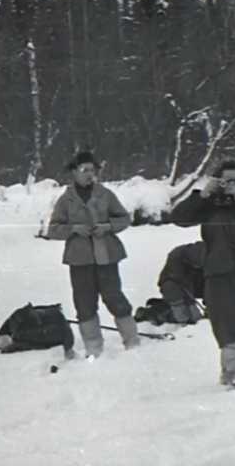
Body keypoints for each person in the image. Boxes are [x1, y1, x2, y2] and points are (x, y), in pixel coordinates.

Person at [171, 158, 235, 389]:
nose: (230, 184)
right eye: (226, 180)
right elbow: (179, 218)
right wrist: (203, 196)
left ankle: (230, 370)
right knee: (229, 324)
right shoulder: (208, 205)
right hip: (218, 270)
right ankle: (233, 374)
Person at [47, 151, 139, 358]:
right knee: (84, 302)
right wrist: (74, 229)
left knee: (115, 298)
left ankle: (132, 342)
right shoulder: (65, 200)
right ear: (74, 173)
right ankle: (94, 349)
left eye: (93, 170)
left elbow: (124, 219)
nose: (90, 174)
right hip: (79, 260)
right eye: (84, 170)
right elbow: (52, 229)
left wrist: (107, 226)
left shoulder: (105, 194)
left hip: (106, 255)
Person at [156, 241, 205, 324]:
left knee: (196, 316)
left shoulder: (211, 255)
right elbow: (182, 283)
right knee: (186, 317)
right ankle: (172, 315)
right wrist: (190, 304)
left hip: (194, 284)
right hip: (175, 287)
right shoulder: (177, 258)